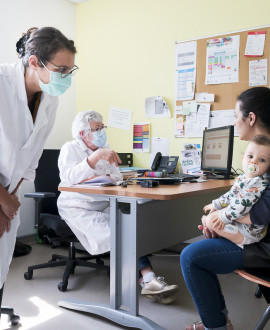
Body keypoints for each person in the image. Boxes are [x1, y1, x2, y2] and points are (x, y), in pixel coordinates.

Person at [57, 110, 178, 304]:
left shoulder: (106, 147)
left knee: (132, 225)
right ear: (82, 133)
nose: (101, 131)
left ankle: (146, 279)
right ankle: (147, 279)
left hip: (105, 202)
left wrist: (101, 175)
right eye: (96, 128)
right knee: (120, 234)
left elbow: (118, 177)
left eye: (102, 127)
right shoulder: (70, 148)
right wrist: (95, 158)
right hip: (78, 206)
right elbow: (68, 178)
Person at [0, 27, 77, 317]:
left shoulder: (49, 99)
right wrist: (2, 200)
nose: (66, 77)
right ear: (34, 62)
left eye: (71, 70)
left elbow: (30, 159)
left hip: (9, 196)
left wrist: (8, 204)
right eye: (62, 69)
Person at [180, 86, 270, 330]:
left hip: (263, 246)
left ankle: (217, 326)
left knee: (191, 257)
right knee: (201, 244)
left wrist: (221, 218)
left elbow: (264, 212)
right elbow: (241, 199)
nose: (234, 121)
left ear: (250, 118)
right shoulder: (259, 158)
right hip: (256, 238)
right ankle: (217, 321)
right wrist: (220, 223)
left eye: (236, 115)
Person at [203, 135, 270, 247]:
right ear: (243, 159)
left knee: (211, 220)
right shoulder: (242, 178)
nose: (254, 161)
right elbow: (231, 194)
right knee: (211, 218)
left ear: (268, 168)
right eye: (250, 156)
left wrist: (223, 216)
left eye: (262, 160)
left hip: (250, 233)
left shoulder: (258, 183)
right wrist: (217, 204)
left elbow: (242, 204)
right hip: (241, 224)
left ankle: (239, 241)